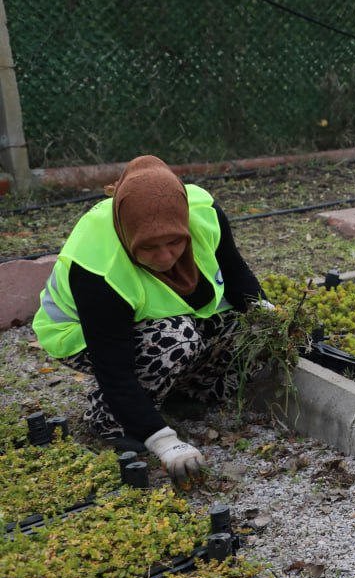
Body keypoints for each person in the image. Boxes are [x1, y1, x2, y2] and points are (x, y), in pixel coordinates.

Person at [33, 155, 267, 485]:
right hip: (81, 335)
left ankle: (178, 396)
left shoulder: (203, 211)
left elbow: (235, 272)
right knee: (177, 339)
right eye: (149, 247)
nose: (165, 256)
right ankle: (110, 418)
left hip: (160, 321)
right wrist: (163, 441)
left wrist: (272, 317)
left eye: (174, 242)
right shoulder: (98, 267)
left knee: (251, 330)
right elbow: (113, 367)